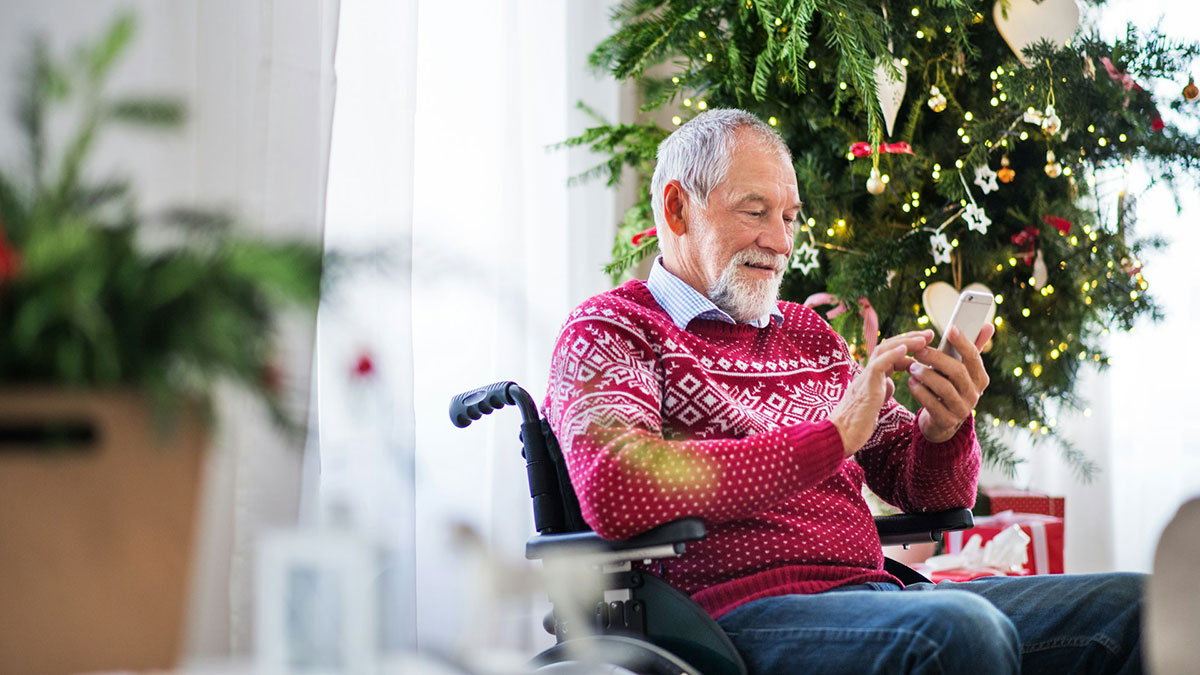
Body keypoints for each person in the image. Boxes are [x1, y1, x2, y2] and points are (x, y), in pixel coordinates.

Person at [543, 108, 1143, 674]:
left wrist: (943, 429)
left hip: (874, 598)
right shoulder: (611, 330)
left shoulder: (809, 335)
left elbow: (930, 494)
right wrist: (827, 440)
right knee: (960, 629)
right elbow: (615, 483)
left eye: (790, 217)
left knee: (1142, 606)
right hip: (723, 619)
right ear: (678, 209)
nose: (781, 243)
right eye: (755, 212)